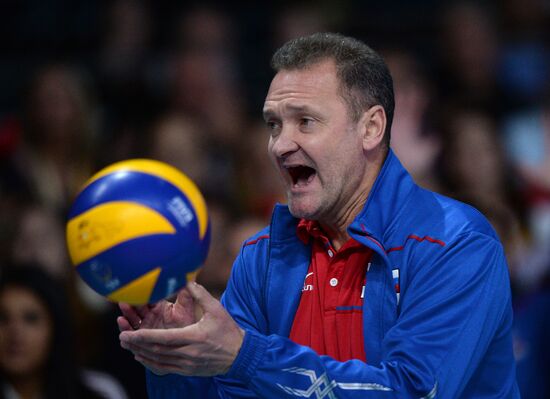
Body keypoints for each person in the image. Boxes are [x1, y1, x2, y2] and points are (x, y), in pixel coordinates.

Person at [118, 32, 519, 398]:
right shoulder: (262, 257)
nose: (278, 145)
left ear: (371, 128)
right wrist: (179, 362)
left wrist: (246, 355)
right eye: (274, 125)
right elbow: (229, 388)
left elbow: (412, 391)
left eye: (305, 121)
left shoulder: (456, 243)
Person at [0, 265, 128, 399]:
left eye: (31, 319)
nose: (14, 331)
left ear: (56, 327)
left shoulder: (102, 391)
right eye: (3, 318)